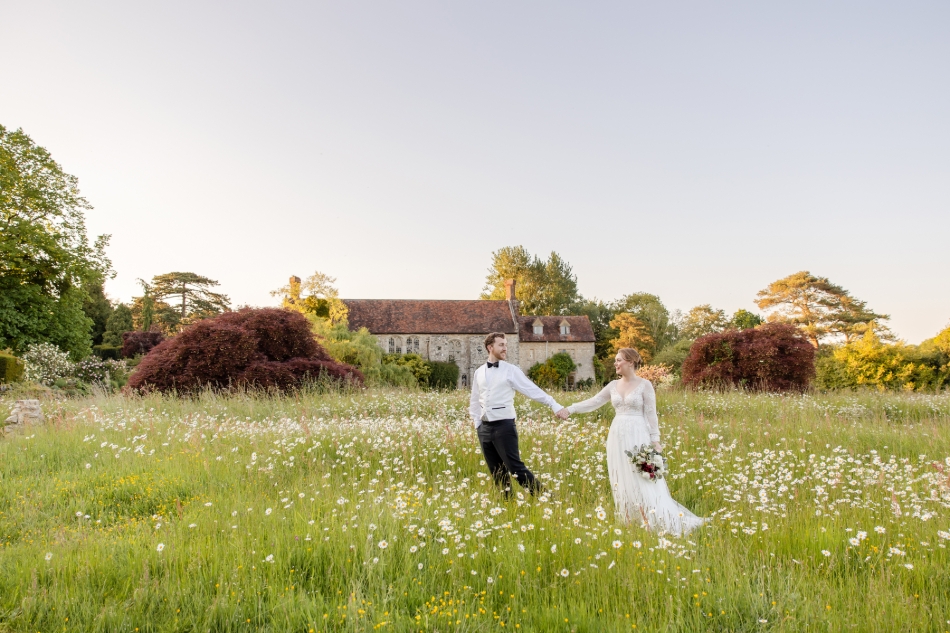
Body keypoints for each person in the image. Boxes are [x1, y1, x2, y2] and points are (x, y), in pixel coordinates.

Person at [564, 348, 704, 536]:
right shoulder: (613, 385)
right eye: (615, 360)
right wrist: (570, 409)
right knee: (621, 475)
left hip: (638, 435)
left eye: (619, 360)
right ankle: (630, 519)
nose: (615, 363)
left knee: (641, 475)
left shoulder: (645, 385)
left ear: (630, 362)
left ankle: (654, 518)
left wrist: (655, 440)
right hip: (617, 435)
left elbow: (651, 414)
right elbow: (594, 401)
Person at [469, 332, 570, 497]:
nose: (505, 348)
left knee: (515, 468)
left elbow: (531, 390)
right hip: (484, 428)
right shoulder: (479, 372)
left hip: (504, 426)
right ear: (490, 347)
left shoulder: (511, 370)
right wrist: (477, 424)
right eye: (501, 345)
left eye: (505, 345)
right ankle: (507, 505)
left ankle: (546, 498)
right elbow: (474, 399)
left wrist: (554, 404)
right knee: (496, 471)